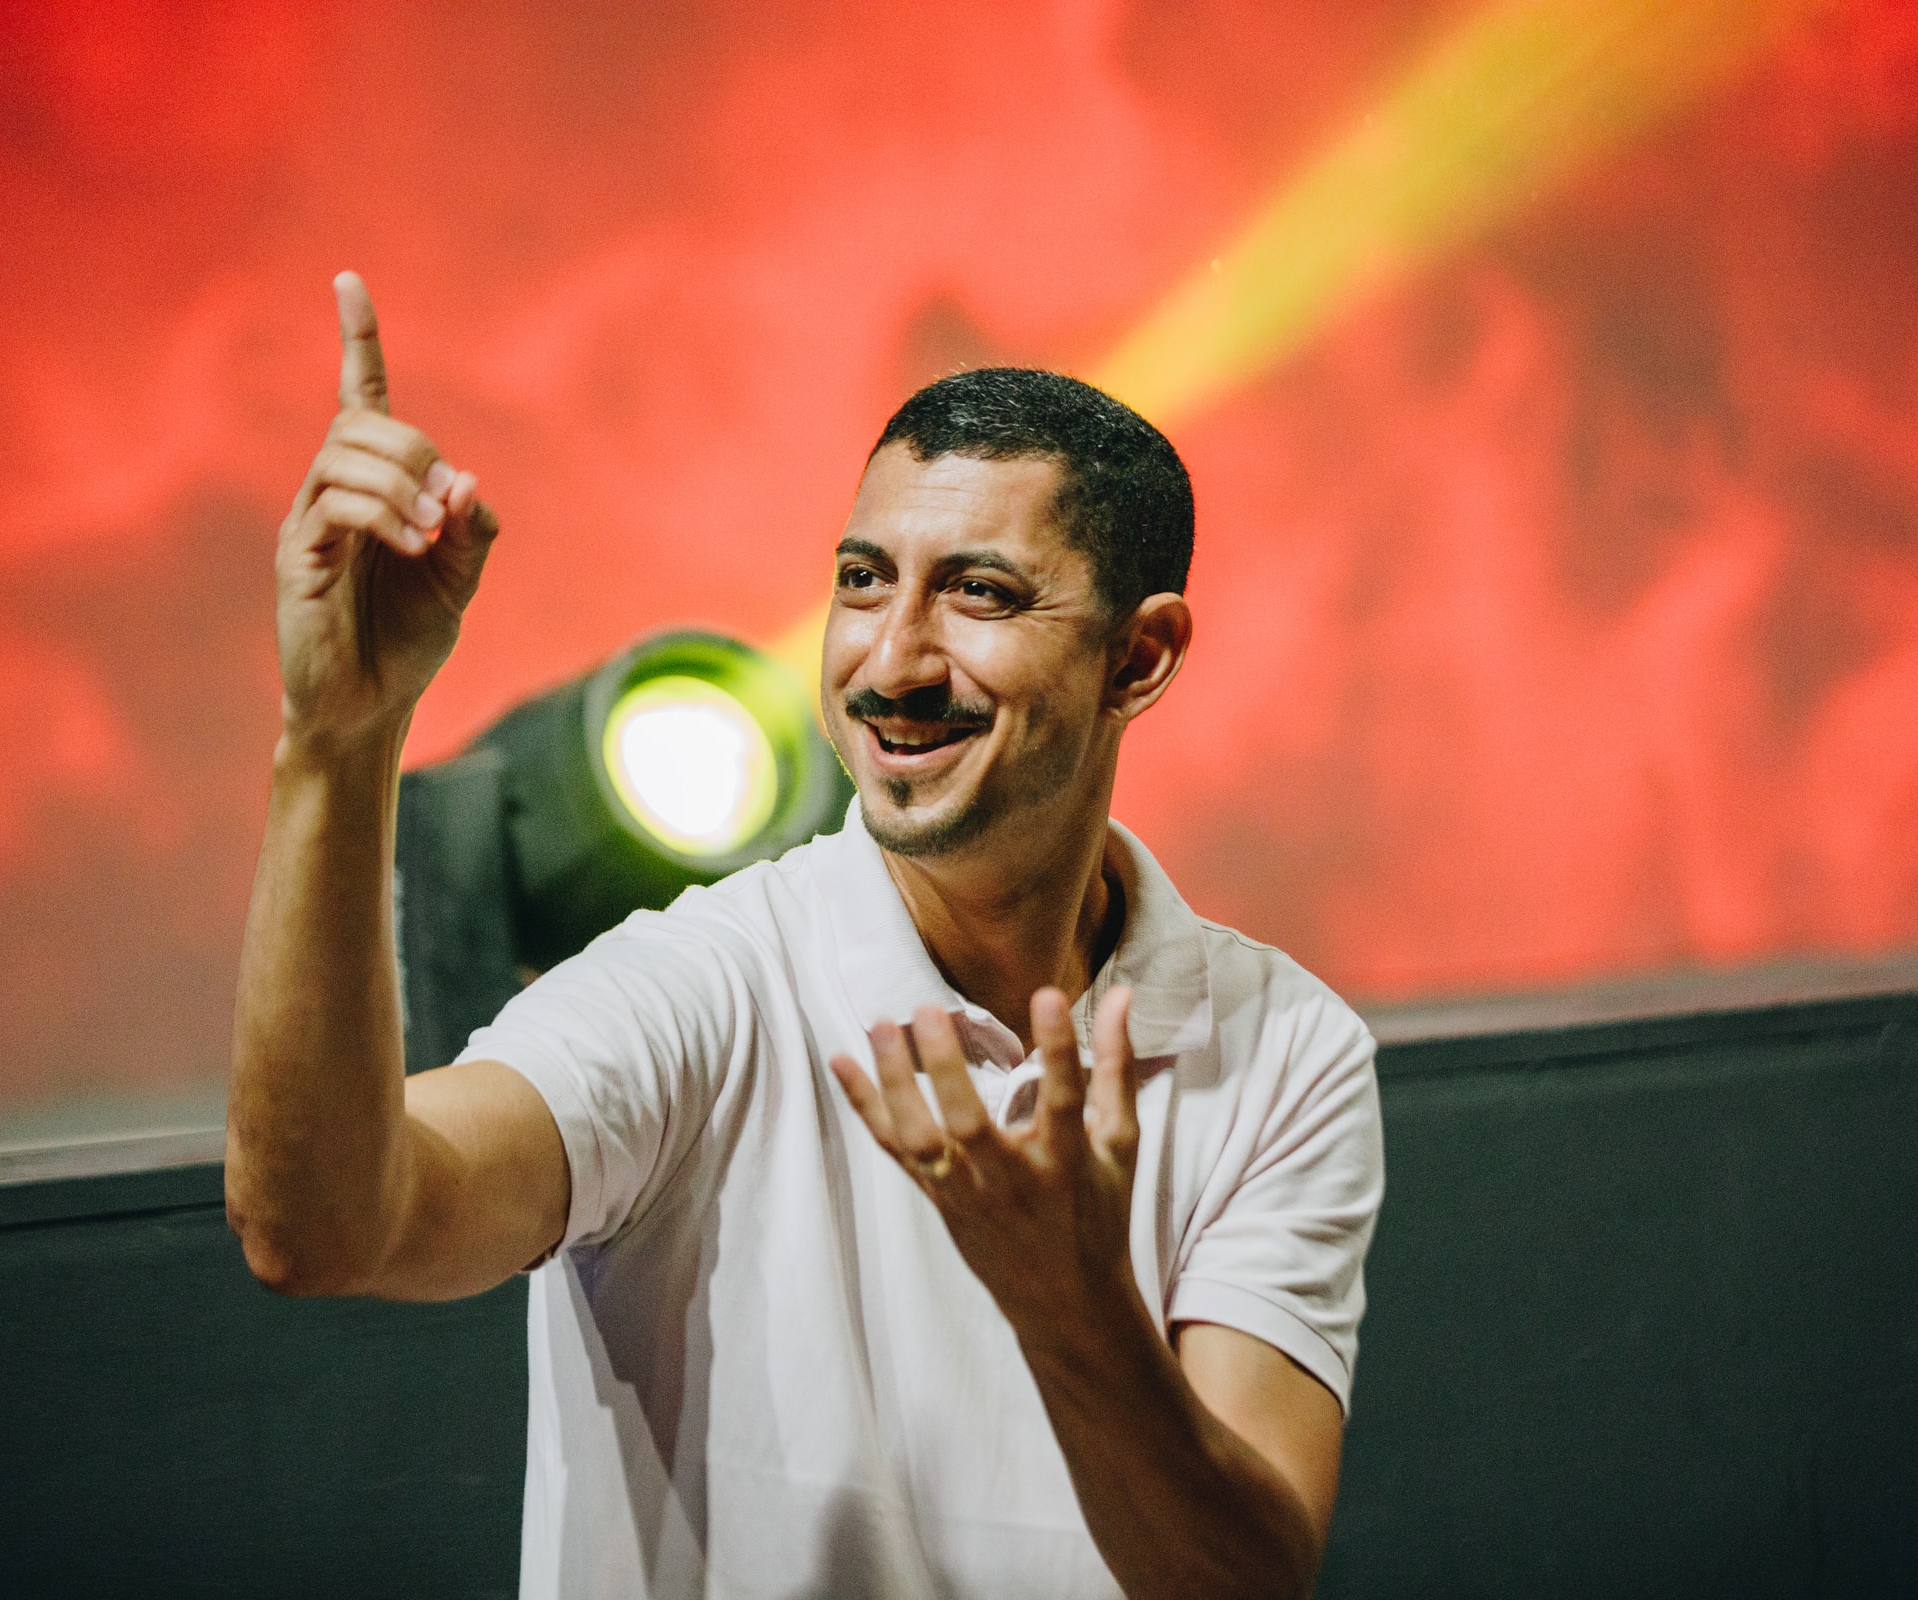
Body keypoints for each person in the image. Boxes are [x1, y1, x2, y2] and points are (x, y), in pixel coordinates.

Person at [228, 273, 1384, 1600]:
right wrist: (335, 739)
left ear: (1140, 658)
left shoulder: (1288, 1049)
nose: (891, 660)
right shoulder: (704, 989)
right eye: (861, 581)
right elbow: (324, 1229)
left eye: (981, 596)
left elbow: (1245, 1585)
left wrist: (1071, 1306)